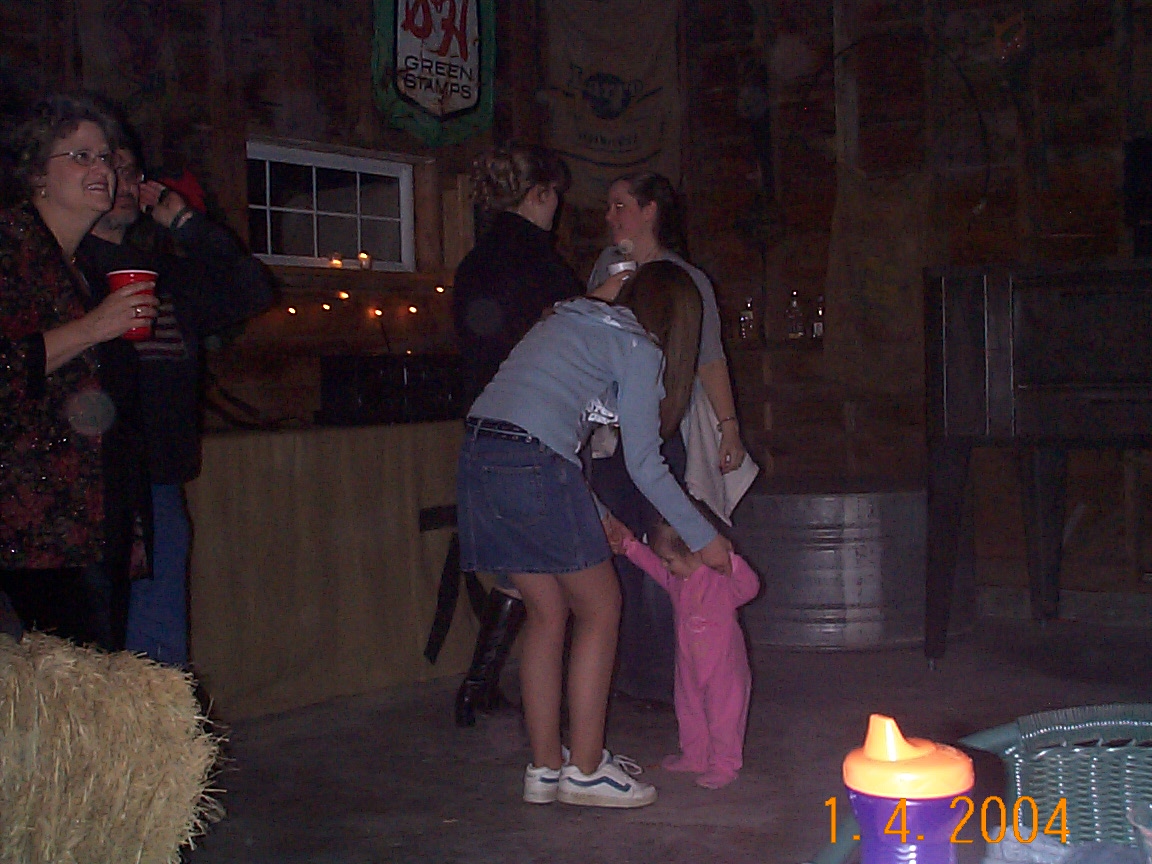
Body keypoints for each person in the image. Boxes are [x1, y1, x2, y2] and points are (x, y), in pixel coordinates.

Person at [457, 260, 732, 808]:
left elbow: (544, 424)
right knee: (601, 607)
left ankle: (545, 766)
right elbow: (645, 465)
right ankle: (585, 770)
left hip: (479, 454)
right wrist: (704, 536)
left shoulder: (571, 320)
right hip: (531, 459)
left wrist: (596, 507)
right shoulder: (638, 347)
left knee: (546, 612)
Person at [76, 127, 274, 666]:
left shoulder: (165, 274)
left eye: (130, 172)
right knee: (87, 647)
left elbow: (253, 289)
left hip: (158, 479)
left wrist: (186, 223)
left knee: (158, 648)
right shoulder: (64, 267)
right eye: (107, 169)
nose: (121, 183)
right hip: (85, 484)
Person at [0, 92, 159, 646]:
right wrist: (94, 327)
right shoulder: (9, 248)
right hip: (28, 527)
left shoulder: (85, 264)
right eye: (81, 156)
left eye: (107, 158)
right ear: (36, 174)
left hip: (90, 513)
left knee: (96, 672)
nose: (103, 170)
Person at [587, 172, 749, 704]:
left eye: (620, 205)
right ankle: (627, 672)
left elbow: (710, 359)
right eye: (608, 206)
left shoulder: (686, 280)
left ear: (650, 210)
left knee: (667, 547)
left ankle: (673, 673)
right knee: (618, 547)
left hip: (665, 431)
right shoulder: (606, 269)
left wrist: (728, 428)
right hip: (608, 434)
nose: (609, 216)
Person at [449, 144, 582, 726]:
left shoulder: (476, 262)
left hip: (486, 429)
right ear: (538, 194)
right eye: (555, 197)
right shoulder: (542, 267)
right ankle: (553, 721)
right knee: (563, 582)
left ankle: (479, 686)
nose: (559, 209)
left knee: (523, 567)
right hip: (532, 429)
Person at [607, 516, 758, 789]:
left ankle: (724, 764)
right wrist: (630, 546)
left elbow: (750, 587)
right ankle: (695, 756)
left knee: (724, 716)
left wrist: (729, 561)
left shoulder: (720, 581)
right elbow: (652, 565)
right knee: (689, 710)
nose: (665, 566)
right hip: (688, 664)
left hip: (724, 667)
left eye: (670, 560)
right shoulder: (678, 580)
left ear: (695, 553)